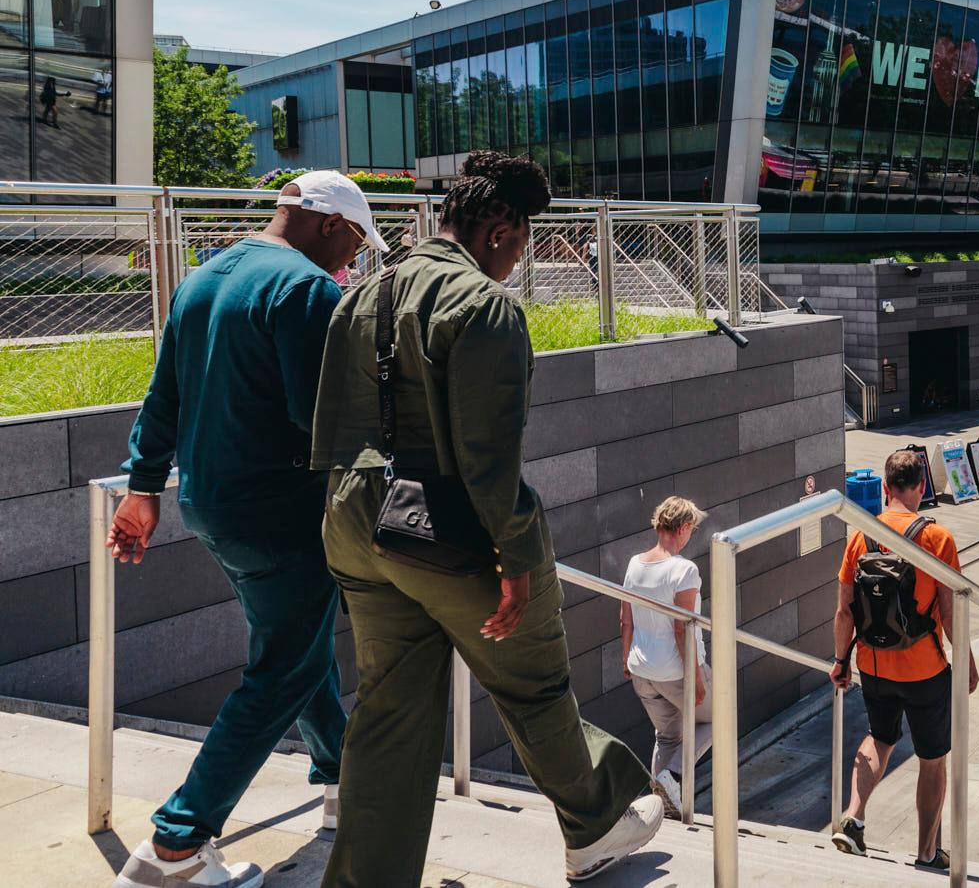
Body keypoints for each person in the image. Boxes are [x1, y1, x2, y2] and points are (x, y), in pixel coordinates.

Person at [311, 153, 659, 886]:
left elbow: (333, 431)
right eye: (523, 242)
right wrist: (518, 559)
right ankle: (595, 823)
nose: (519, 260)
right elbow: (488, 460)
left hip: (353, 524)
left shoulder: (362, 295)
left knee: (390, 713)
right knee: (532, 683)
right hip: (443, 533)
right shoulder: (485, 306)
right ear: (500, 229)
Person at [107, 171, 373, 888]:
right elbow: (322, 421)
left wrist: (140, 489)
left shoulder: (200, 279)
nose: (349, 259)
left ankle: (345, 781)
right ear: (325, 222)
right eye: (353, 241)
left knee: (298, 646)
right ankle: (177, 843)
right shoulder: (308, 290)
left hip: (210, 505)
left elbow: (163, 396)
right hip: (282, 513)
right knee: (281, 666)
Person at [831, 450, 979, 870]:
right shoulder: (939, 539)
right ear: (921, 488)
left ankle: (854, 819)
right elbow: (949, 613)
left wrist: (841, 660)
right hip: (925, 668)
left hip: (873, 663)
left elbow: (844, 610)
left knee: (879, 738)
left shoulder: (860, 536)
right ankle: (927, 853)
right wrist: (966, 661)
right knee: (932, 760)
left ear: (884, 487)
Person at [618, 497, 713, 822]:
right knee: (719, 718)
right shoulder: (684, 569)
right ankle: (673, 775)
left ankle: (663, 811)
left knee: (667, 736)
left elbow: (625, 619)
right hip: (675, 670)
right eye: (692, 530)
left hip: (641, 668)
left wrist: (626, 657)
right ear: (684, 528)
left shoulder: (634, 564)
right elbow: (682, 629)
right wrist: (696, 677)